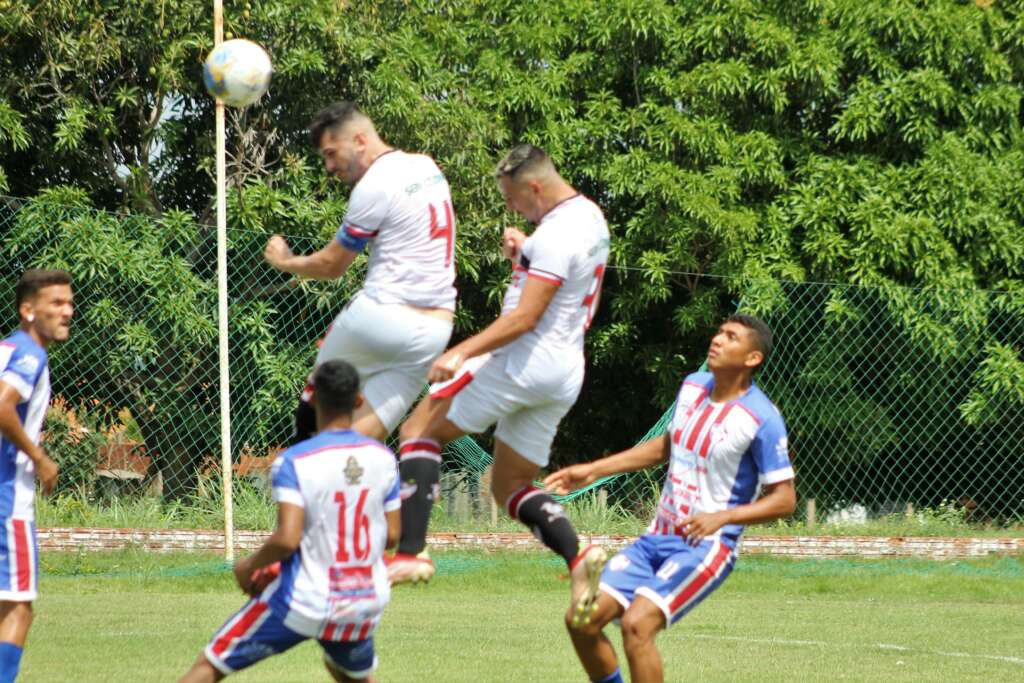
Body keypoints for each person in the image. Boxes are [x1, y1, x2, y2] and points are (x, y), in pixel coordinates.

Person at [387, 144, 611, 610]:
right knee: (509, 487)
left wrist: (460, 352)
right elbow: (565, 285)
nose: (512, 207)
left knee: (418, 432)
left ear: (534, 186)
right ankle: (578, 555)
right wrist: (524, 254)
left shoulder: (554, 237)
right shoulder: (589, 218)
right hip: (564, 370)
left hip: (520, 362)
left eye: (513, 197)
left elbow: (526, 317)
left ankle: (410, 552)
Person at [544, 314, 797, 683]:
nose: (717, 340)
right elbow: (667, 446)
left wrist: (722, 518)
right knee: (581, 621)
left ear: (752, 359)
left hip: (706, 546)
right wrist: (596, 469)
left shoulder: (761, 418)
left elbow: (784, 500)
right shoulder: (693, 387)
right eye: (719, 332)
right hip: (656, 539)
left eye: (731, 337)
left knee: (637, 625)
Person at [179, 360, 401, 683]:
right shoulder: (383, 459)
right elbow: (393, 535)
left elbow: (287, 539)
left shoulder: (294, 461)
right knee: (352, 677)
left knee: (209, 666)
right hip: (362, 600)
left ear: (313, 400)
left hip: (304, 600)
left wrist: (246, 566)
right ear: (358, 401)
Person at [264, 101, 456, 443]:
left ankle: (300, 477)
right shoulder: (425, 166)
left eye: (331, 153)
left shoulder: (374, 185)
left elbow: (332, 266)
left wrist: (285, 261)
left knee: (317, 409)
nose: (328, 165)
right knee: (358, 443)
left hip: (381, 318)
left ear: (360, 140)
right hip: (434, 331)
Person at [0, 269, 73, 683]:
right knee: (19, 608)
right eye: (56, 304)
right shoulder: (30, 353)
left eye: (69, 303)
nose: (67, 312)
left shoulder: (6, 347)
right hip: (9, 498)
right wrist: (40, 458)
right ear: (28, 310)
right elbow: (2, 406)